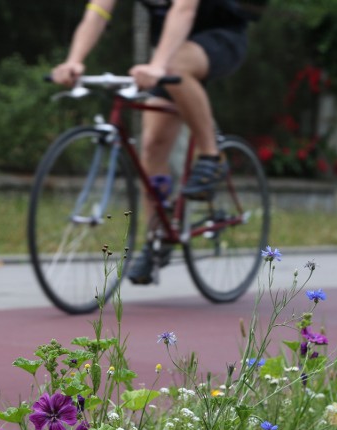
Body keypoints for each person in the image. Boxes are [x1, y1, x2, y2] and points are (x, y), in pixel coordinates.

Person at [51, 0, 252, 284]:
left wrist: (158, 64)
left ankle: (211, 155)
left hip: (220, 37)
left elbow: (184, 10)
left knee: (175, 66)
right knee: (153, 145)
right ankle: (157, 237)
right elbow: (97, 12)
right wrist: (74, 60)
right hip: (171, 51)